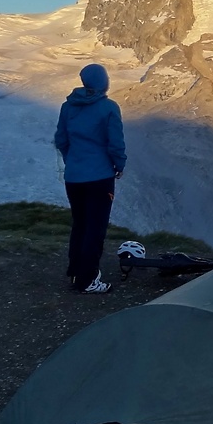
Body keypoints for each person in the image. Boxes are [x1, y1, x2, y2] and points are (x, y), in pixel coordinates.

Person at [54, 63, 126, 293]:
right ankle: (88, 280)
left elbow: (61, 140)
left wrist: (73, 161)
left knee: (80, 225)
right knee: (96, 228)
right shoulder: (108, 108)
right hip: (100, 177)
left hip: (74, 177)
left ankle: (76, 271)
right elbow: (115, 142)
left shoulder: (68, 106)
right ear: (104, 82)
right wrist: (119, 164)